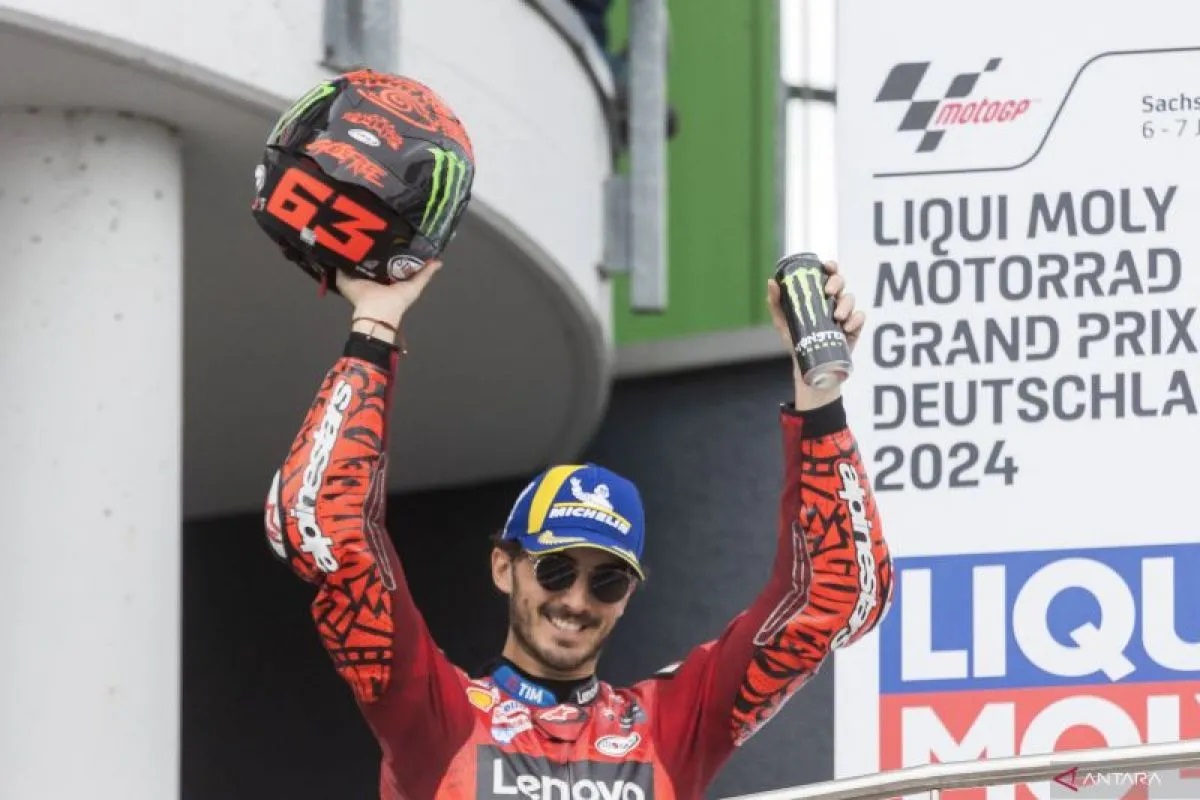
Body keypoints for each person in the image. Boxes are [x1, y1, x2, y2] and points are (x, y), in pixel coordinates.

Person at [262, 254, 894, 799]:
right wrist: (375, 323)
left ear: (628, 598)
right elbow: (320, 526)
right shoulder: (436, 716)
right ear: (504, 567)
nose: (575, 600)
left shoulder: (669, 727)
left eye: (608, 581)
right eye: (557, 568)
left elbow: (833, 600)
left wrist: (821, 393)